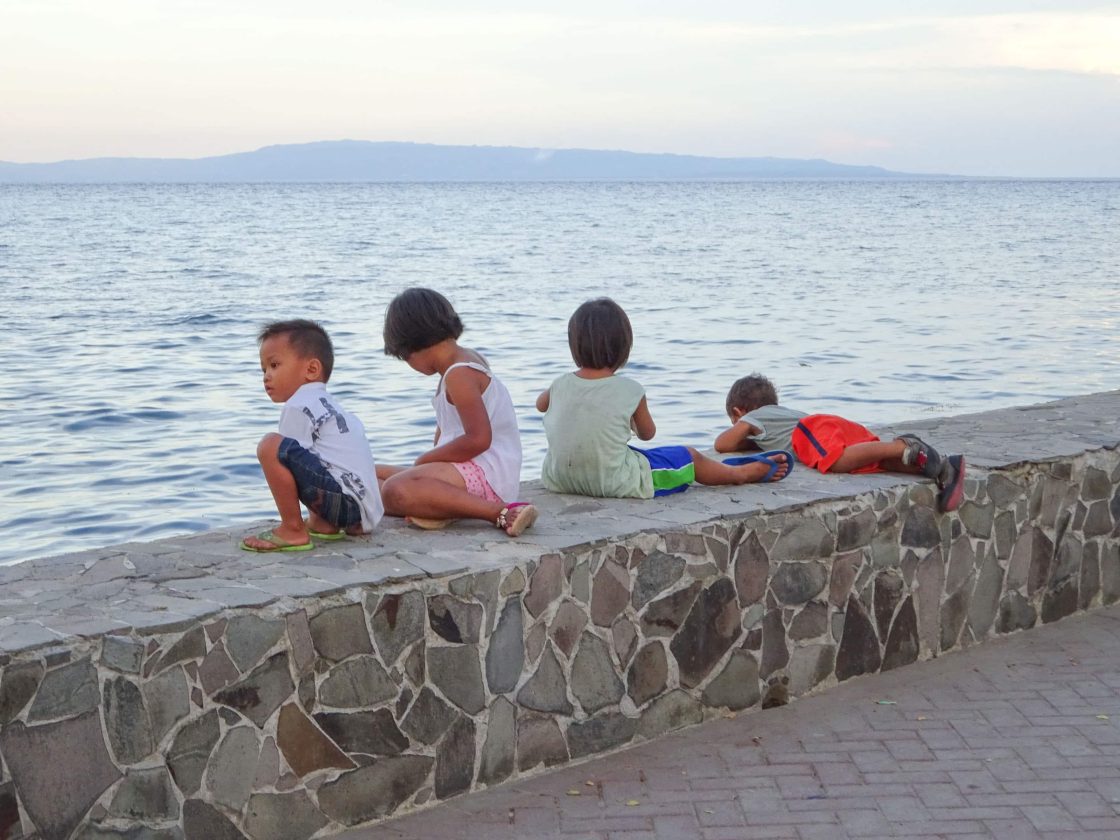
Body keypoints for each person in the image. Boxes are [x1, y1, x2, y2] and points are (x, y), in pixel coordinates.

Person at [537, 298, 790, 499]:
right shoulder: (630, 390)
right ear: (623, 348)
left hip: (559, 479)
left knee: (617, 450)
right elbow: (648, 434)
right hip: (614, 481)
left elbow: (541, 404)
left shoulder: (560, 383)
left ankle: (737, 470)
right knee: (689, 457)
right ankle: (740, 474)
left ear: (574, 345)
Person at [377, 288, 538, 537]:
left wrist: (425, 461)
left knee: (392, 490)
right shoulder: (457, 366)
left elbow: (479, 439)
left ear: (412, 346)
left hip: (487, 475)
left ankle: (500, 512)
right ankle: (439, 509)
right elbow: (448, 431)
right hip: (466, 470)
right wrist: (427, 465)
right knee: (370, 474)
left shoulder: (460, 374)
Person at [717, 373, 966, 512]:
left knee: (835, 461)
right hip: (832, 427)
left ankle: (904, 446)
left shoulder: (753, 417)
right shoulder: (777, 420)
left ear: (739, 412)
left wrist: (741, 428)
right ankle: (940, 466)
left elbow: (722, 445)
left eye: (733, 420)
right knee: (876, 464)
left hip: (811, 430)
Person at [240, 319, 383, 552]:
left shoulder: (298, 405)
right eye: (264, 369)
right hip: (364, 512)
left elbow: (293, 466)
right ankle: (324, 524)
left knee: (271, 446)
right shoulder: (331, 405)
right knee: (305, 455)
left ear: (311, 369)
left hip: (346, 506)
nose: (266, 376)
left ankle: (292, 529)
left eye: (275, 365)